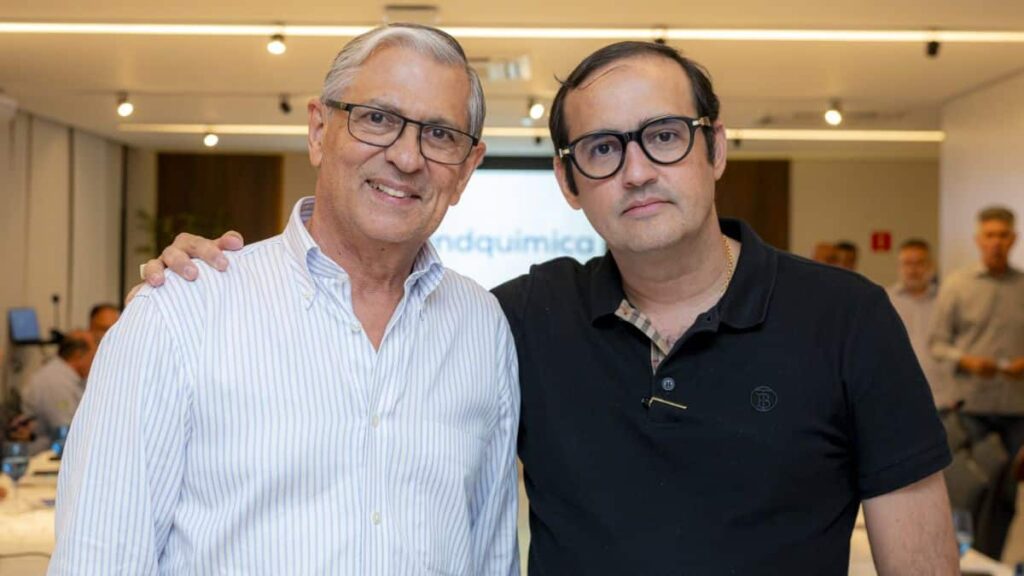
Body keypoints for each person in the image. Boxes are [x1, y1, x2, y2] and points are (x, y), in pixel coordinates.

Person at [145, 41, 957, 574]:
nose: (636, 171)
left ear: (714, 147)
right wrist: (223, 273)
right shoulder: (519, 320)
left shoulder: (848, 319)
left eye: (664, 135)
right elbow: (369, 319)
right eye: (602, 149)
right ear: (569, 183)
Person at [51, 24, 520, 576]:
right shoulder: (180, 313)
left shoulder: (480, 326)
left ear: (466, 169)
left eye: (439, 134)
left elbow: (491, 555)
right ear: (319, 131)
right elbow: (99, 560)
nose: (407, 157)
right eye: (377, 119)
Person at [930, 205, 1023, 558]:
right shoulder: (958, 285)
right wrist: (966, 360)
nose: (996, 242)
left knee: (1006, 496)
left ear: (1013, 239)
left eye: (1003, 235)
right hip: (971, 409)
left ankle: (992, 561)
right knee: (968, 492)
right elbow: (937, 343)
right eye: (990, 235)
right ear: (978, 239)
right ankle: (962, 558)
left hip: (1016, 410)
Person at [887, 239, 955, 408]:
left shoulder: (947, 300)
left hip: (943, 398)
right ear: (899, 266)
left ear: (931, 266)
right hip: (897, 395)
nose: (913, 270)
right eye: (907, 263)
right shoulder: (885, 302)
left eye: (919, 263)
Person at [20, 330, 95, 455]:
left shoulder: (71, 378)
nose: (95, 363)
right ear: (78, 355)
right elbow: (67, 433)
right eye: (93, 357)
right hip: (44, 457)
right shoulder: (55, 381)